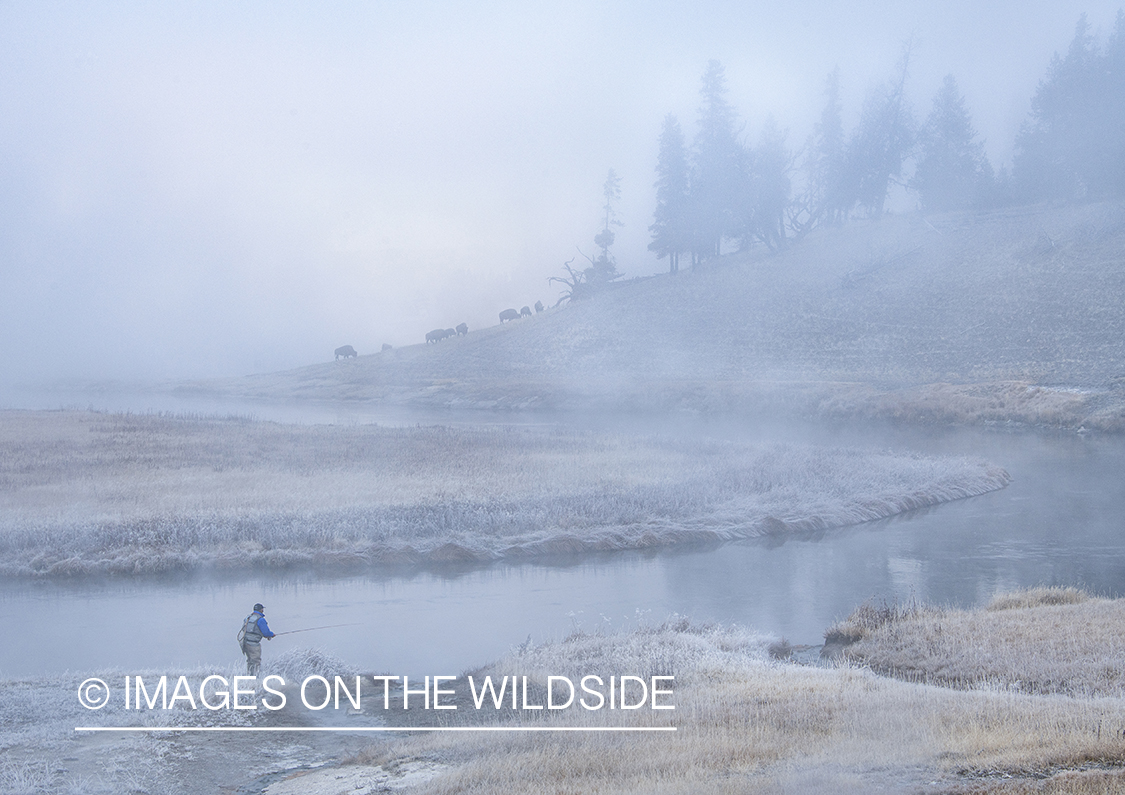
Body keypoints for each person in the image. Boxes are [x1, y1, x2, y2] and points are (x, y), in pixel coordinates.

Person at [238, 603, 276, 676]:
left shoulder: (248, 617)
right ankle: (255, 678)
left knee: (250, 661)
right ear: (261, 610)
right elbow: (266, 633)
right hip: (254, 644)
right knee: (256, 661)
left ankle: (249, 675)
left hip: (245, 642)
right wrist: (271, 634)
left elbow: (244, 629)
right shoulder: (260, 619)